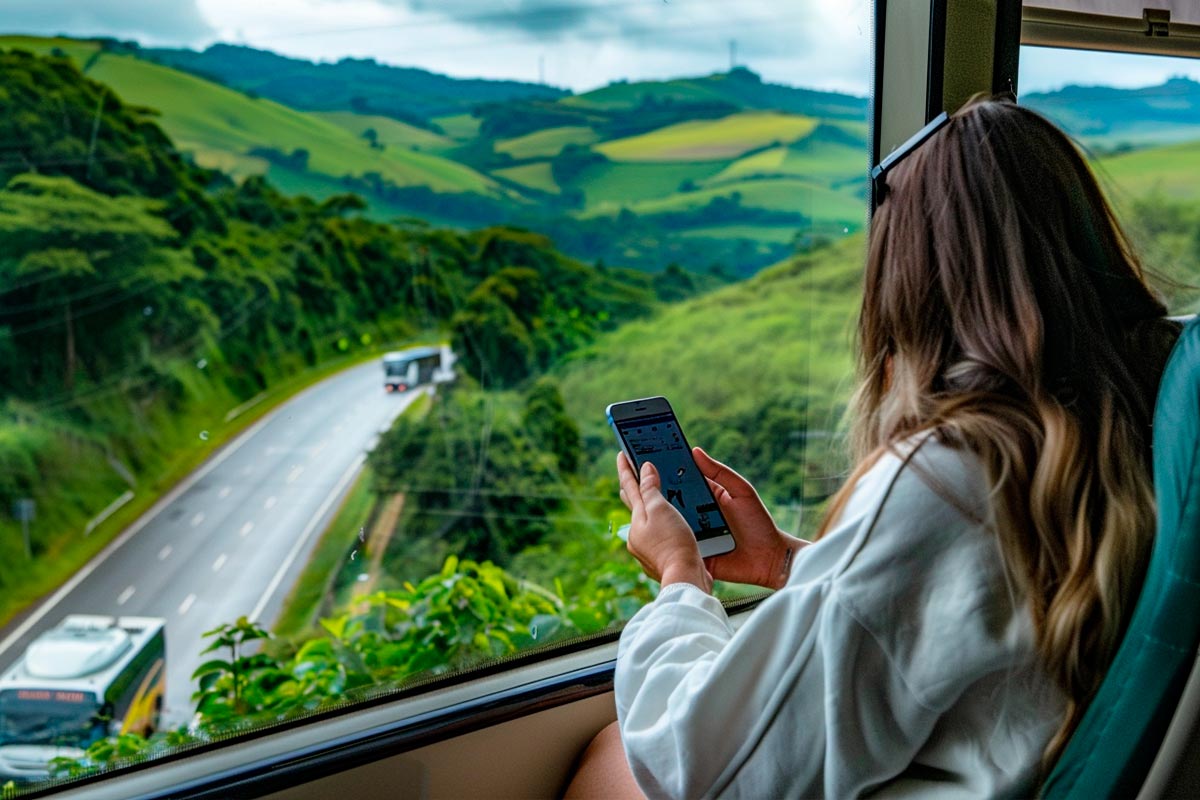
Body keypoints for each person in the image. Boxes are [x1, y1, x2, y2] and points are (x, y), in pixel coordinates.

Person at [564, 97, 1183, 799]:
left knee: (613, 752)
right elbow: (964, 618)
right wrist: (784, 563)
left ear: (912, 283)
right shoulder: (1143, 410)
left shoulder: (954, 473)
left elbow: (703, 769)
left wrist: (680, 577)